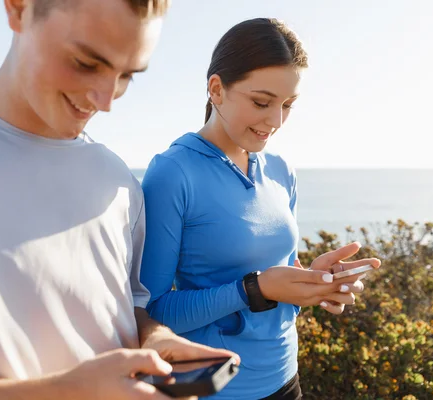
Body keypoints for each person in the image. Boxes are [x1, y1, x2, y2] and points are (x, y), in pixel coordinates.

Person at [0, 1, 238, 399]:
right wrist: (68, 392)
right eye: (86, 62)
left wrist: (153, 337)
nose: (107, 100)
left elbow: (124, 311)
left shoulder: (118, 182)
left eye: (127, 76)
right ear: (18, 9)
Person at [139, 18, 381, 400]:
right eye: (261, 102)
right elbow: (151, 312)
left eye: (288, 105)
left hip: (287, 378)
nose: (276, 121)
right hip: (219, 390)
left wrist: (314, 283)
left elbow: (282, 275)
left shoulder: (281, 169)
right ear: (216, 89)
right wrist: (252, 288)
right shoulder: (173, 173)